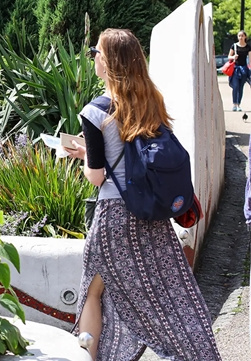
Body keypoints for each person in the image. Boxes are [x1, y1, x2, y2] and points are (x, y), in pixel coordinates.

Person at [67, 29, 221, 361]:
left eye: (96, 51)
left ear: (107, 62)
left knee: (92, 292)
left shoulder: (95, 111)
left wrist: (83, 161)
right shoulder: (151, 102)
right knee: (171, 294)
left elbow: (96, 178)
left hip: (113, 219)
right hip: (151, 214)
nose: (92, 56)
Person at [228, 30, 251, 111]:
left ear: (245, 37)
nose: (240, 37)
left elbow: (250, 59)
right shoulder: (234, 46)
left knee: (241, 87)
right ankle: (234, 104)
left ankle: (238, 104)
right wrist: (233, 57)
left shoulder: (248, 47)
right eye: (239, 36)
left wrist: (250, 67)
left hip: (244, 69)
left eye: (242, 36)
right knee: (235, 86)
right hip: (235, 69)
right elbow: (229, 57)